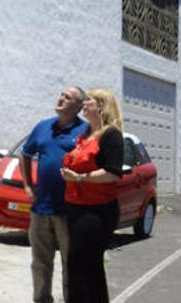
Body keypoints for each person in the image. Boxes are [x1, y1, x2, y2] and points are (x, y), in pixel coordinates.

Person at [20, 87, 88, 303]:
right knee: (40, 263)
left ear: (78, 106)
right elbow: (25, 154)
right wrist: (28, 187)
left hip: (71, 210)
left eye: (67, 97)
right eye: (61, 94)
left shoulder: (86, 131)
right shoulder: (43, 127)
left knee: (72, 264)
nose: (61, 98)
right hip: (41, 209)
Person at [60, 88, 125, 303]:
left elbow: (112, 172)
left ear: (101, 106)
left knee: (81, 265)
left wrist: (79, 177)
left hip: (97, 211)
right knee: (86, 266)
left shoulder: (111, 135)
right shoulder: (86, 134)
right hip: (76, 208)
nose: (84, 104)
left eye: (88, 100)